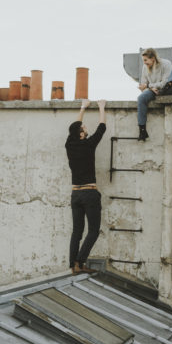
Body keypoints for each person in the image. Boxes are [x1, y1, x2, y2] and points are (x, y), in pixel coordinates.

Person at [65, 98, 106, 275]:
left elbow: (75, 125)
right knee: (94, 231)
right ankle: (80, 263)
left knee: (77, 231)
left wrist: (83, 107)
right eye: (84, 129)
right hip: (89, 193)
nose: (85, 129)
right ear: (81, 134)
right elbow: (102, 128)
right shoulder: (89, 145)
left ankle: (73, 265)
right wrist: (101, 107)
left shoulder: (69, 144)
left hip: (75, 194)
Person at [137, 48, 172, 141]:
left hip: (166, 90)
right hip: (152, 90)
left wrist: (149, 85)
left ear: (153, 58)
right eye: (143, 60)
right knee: (141, 98)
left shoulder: (166, 64)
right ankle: (142, 130)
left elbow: (164, 83)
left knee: (168, 82)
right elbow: (143, 84)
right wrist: (150, 88)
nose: (144, 63)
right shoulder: (145, 67)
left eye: (145, 60)